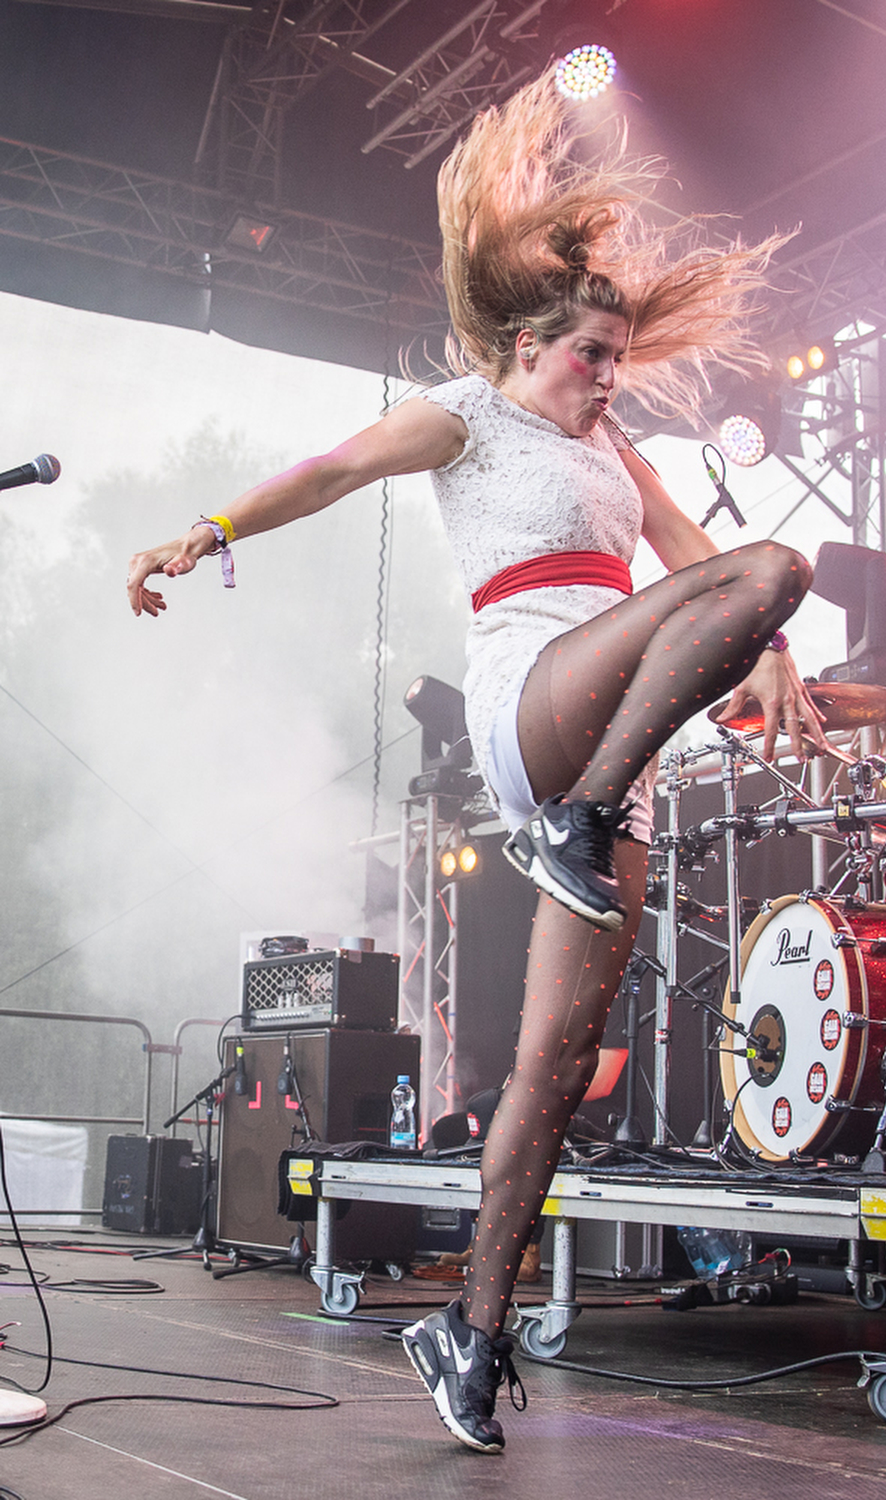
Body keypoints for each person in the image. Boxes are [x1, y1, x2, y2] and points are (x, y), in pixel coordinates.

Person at [127, 70, 827, 1454]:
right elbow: (331, 469)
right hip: (534, 709)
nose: (607, 378)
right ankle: (574, 816)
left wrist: (778, 661)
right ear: (523, 345)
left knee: (551, 1071)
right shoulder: (466, 414)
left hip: (612, 767)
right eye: (589, 356)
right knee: (780, 567)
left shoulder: (615, 449)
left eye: (619, 360)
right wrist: (207, 531)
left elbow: (699, 562)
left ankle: (473, 1329)